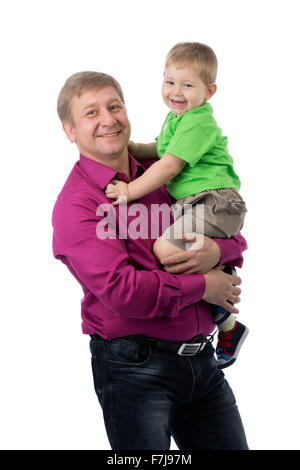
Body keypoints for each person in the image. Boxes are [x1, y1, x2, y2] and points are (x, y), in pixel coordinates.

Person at [52, 70, 248, 450]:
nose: (108, 119)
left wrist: (217, 252)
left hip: (203, 363)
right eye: (91, 113)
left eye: (114, 106)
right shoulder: (77, 206)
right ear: (70, 130)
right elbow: (124, 292)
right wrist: (206, 284)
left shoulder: (166, 177)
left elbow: (230, 228)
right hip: (134, 370)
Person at [105, 42, 248, 369]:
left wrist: (129, 190)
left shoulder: (198, 121)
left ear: (209, 91)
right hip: (195, 203)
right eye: (170, 82)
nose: (176, 91)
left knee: (167, 250)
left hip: (216, 200)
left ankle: (222, 286)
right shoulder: (176, 119)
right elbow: (160, 148)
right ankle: (228, 320)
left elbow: (169, 165)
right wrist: (133, 148)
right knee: (178, 252)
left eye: (187, 85)